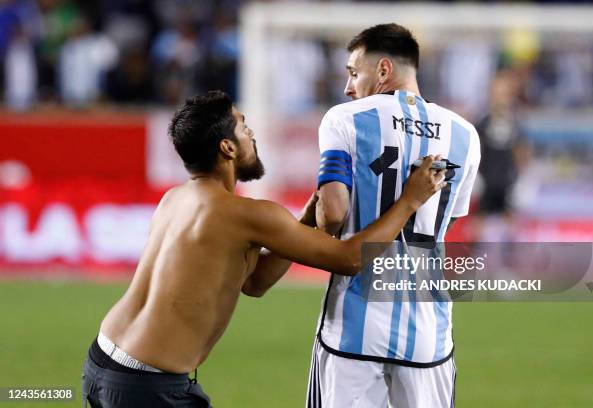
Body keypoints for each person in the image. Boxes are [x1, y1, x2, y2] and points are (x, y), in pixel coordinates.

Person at [81, 90, 446, 408]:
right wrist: (409, 202)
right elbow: (350, 258)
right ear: (227, 147)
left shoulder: (173, 199)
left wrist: (300, 226)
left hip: (104, 359)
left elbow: (253, 282)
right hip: (149, 387)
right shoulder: (249, 214)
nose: (251, 133)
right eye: (243, 126)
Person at [306, 24, 481, 407]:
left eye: (354, 73)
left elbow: (332, 215)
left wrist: (319, 212)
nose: (349, 87)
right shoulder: (465, 134)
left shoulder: (344, 119)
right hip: (427, 332)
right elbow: (446, 224)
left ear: (383, 70)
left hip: (354, 328)